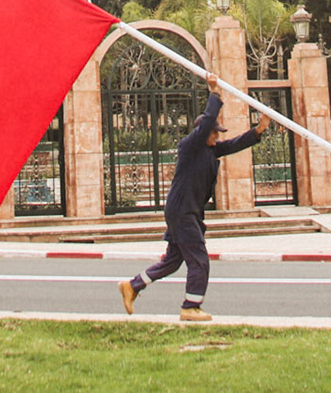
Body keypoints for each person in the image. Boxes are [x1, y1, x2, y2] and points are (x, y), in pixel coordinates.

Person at [118, 69, 276, 321]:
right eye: (214, 132)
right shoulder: (190, 146)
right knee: (199, 259)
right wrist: (214, 91)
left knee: (173, 260)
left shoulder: (210, 151)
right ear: (204, 132)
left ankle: (133, 285)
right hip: (182, 212)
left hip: (185, 211)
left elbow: (235, 144)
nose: (217, 136)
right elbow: (208, 122)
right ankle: (190, 307)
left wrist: (259, 130)